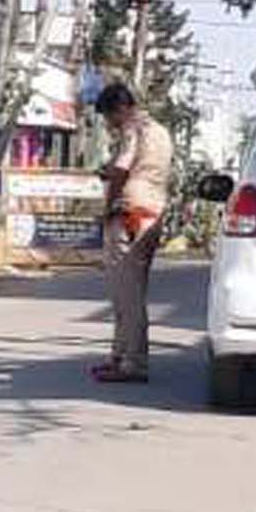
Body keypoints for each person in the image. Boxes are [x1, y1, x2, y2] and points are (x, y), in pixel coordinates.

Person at [92, 82, 175, 384]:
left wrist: (109, 200)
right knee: (134, 289)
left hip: (128, 211)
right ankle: (120, 355)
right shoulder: (160, 131)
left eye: (108, 117)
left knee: (126, 293)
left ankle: (132, 362)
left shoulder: (131, 128)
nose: (109, 124)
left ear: (120, 109)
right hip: (153, 212)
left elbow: (123, 170)